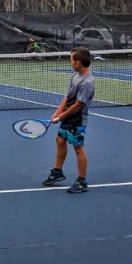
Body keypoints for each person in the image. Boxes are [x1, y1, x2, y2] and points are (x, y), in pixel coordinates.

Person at [42, 47, 95, 194]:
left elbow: (78, 105)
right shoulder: (75, 77)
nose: (70, 63)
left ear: (78, 63)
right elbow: (68, 97)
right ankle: (57, 172)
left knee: (78, 148)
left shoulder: (87, 83)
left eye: (71, 60)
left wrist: (61, 117)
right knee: (60, 140)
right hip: (67, 117)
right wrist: (57, 112)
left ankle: (81, 181)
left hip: (77, 120)